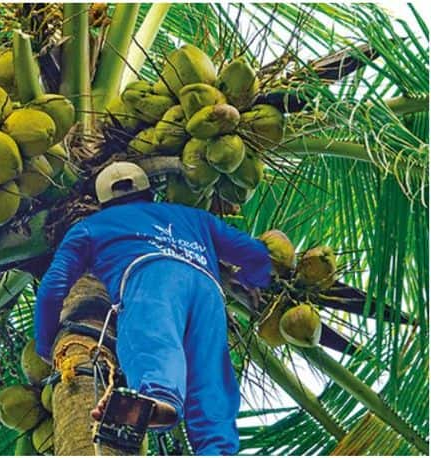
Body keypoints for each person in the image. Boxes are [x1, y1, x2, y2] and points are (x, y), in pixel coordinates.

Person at [34, 162, 273, 455]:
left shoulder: (91, 227)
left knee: (153, 341)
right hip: (207, 290)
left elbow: (54, 286)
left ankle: (160, 399)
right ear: (149, 193)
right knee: (210, 374)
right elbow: (257, 254)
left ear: (102, 203)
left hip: (149, 278)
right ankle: (217, 448)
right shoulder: (195, 218)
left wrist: (46, 345)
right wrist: (251, 280)